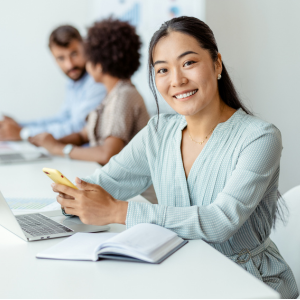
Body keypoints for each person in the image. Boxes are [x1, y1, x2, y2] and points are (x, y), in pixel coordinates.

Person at [50, 16, 298, 298]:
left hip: (248, 284)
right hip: (180, 276)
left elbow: (220, 221)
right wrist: (71, 195)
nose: (177, 80)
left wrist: (118, 211)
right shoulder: (157, 132)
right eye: (163, 70)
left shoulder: (260, 138)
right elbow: (103, 183)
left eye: (189, 63)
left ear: (216, 63)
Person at [29, 18, 149, 166]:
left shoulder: (124, 96)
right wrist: (49, 142)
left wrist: (58, 148)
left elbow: (107, 154)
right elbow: (82, 135)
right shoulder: (110, 96)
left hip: (135, 189)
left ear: (98, 66)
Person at [0, 25, 106, 141]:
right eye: (61, 58)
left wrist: (24, 133)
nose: (69, 65)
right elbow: (62, 119)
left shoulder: (97, 80)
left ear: (85, 48)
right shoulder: (73, 83)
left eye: (74, 54)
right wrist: (20, 126)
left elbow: (77, 127)